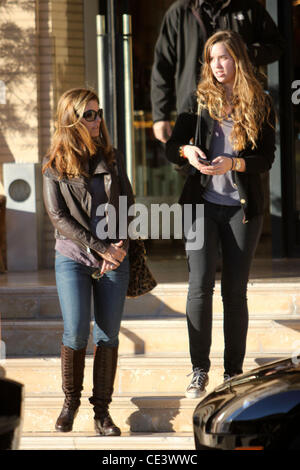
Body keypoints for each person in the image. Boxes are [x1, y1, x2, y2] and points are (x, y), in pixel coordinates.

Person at [165, 30, 276, 397]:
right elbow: (171, 148)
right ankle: (199, 370)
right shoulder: (198, 100)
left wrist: (235, 162)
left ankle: (233, 373)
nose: (217, 65)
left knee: (235, 292)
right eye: (211, 59)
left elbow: (266, 158)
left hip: (242, 210)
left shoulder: (260, 103)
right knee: (199, 287)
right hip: (201, 206)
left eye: (223, 57)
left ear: (238, 60)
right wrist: (187, 152)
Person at [42, 88, 135, 435]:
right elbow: (58, 217)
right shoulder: (53, 166)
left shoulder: (111, 158)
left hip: (115, 256)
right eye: (89, 115)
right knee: (77, 330)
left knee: (108, 334)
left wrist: (120, 245)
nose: (96, 121)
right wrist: (101, 248)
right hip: (74, 257)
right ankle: (70, 403)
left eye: (98, 113)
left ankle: (102, 413)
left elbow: (127, 201)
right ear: (71, 120)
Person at [151, 0, 284, 143]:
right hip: (193, 108)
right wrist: (160, 116)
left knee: (244, 157)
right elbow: (162, 65)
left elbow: (277, 45)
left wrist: (244, 53)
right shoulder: (179, 11)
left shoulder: (248, 8)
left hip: (240, 107)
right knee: (192, 159)